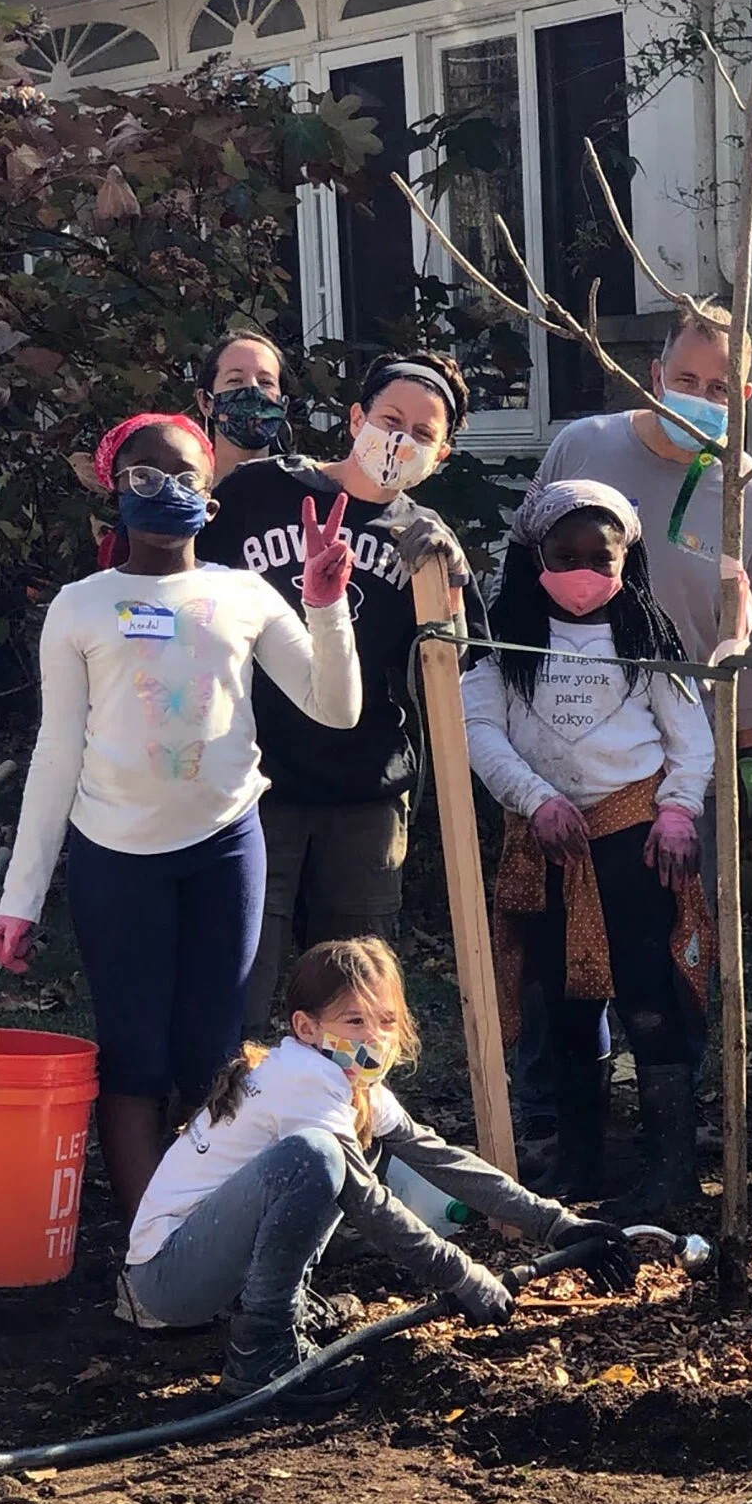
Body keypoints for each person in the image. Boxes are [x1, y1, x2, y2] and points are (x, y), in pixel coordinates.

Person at [0, 413, 361, 1220]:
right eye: (145, 476)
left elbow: (335, 708)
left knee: (213, 1054)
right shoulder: (80, 606)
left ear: (211, 500)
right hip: (114, 854)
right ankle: (148, 1243)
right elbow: (57, 751)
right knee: (133, 1056)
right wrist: (21, 897)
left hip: (225, 845)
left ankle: (206, 1232)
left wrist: (325, 605)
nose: (166, 491)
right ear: (116, 492)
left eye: (186, 477)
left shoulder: (243, 593)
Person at [498, 305, 752, 1154]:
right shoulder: (583, 446)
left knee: (667, 939)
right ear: (655, 375)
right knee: (555, 938)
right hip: (564, 744)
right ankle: (557, 1116)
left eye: (719, 387)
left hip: (678, 758)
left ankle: (673, 1115)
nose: (699, 396)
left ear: (744, 395)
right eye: (685, 379)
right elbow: (519, 567)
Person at [120, 937, 633, 1403]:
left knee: (340, 1156)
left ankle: (282, 1314)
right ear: (306, 1027)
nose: (375, 1037)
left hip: (200, 1263)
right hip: (170, 1278)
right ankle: (262, 1354)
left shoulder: (345, 1079)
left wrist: (556, 1223)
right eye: (354, 1022)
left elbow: (438, 1158)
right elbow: (367, 1202)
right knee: (319, 1159)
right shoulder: (304, 1081)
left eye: (386, 1022)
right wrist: (463, 1277)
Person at [197, 351, 483, 1038]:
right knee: (240, 975)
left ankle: (352, 1106)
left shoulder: (422, 542)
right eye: (390, 420)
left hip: (364, 791)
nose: (400, 440)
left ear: (441, 456)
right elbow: (184, 586)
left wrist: (449, 582)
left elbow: (449, 671)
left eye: (422, 433)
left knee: (356, 988)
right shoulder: (262, 492)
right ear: (356, 419)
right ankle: (223, 1102)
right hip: (254, 780)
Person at [463, 481, 714, 1217]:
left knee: (649, 997)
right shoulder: (504, 642)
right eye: (563, 556)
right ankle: (580, 1163)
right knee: (567, 1004)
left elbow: (691, 740)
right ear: (534, 555)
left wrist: (678, 811)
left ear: (626, 558)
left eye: (599, 558)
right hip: (548, 844)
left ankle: (670, 1170)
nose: (582, 572)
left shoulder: (648, 639)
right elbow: (480, 731)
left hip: (636, 844)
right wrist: (535, 798)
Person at [197, 329, 293, 482]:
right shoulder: (183, 491)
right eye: (235, 380)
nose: (253, 388)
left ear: (284, 405)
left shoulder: (307, 488)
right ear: (206, 402)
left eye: (265, 382)